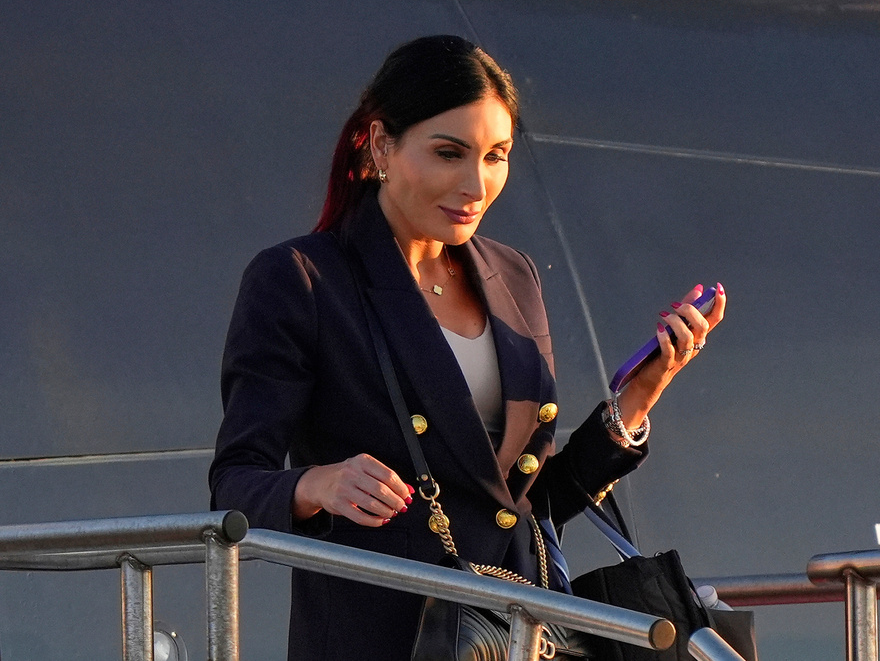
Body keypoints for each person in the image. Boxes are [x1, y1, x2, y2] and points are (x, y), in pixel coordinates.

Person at [209, 34, 726, 661]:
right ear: (380, 146)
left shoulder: (514, 276)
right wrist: (318, 484)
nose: (476, 184)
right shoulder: (303, 280)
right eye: (449, 153)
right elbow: (234, 487)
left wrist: (639, 397)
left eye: (497, 156)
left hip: (510, 639)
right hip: (381, 640)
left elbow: (522, 509)